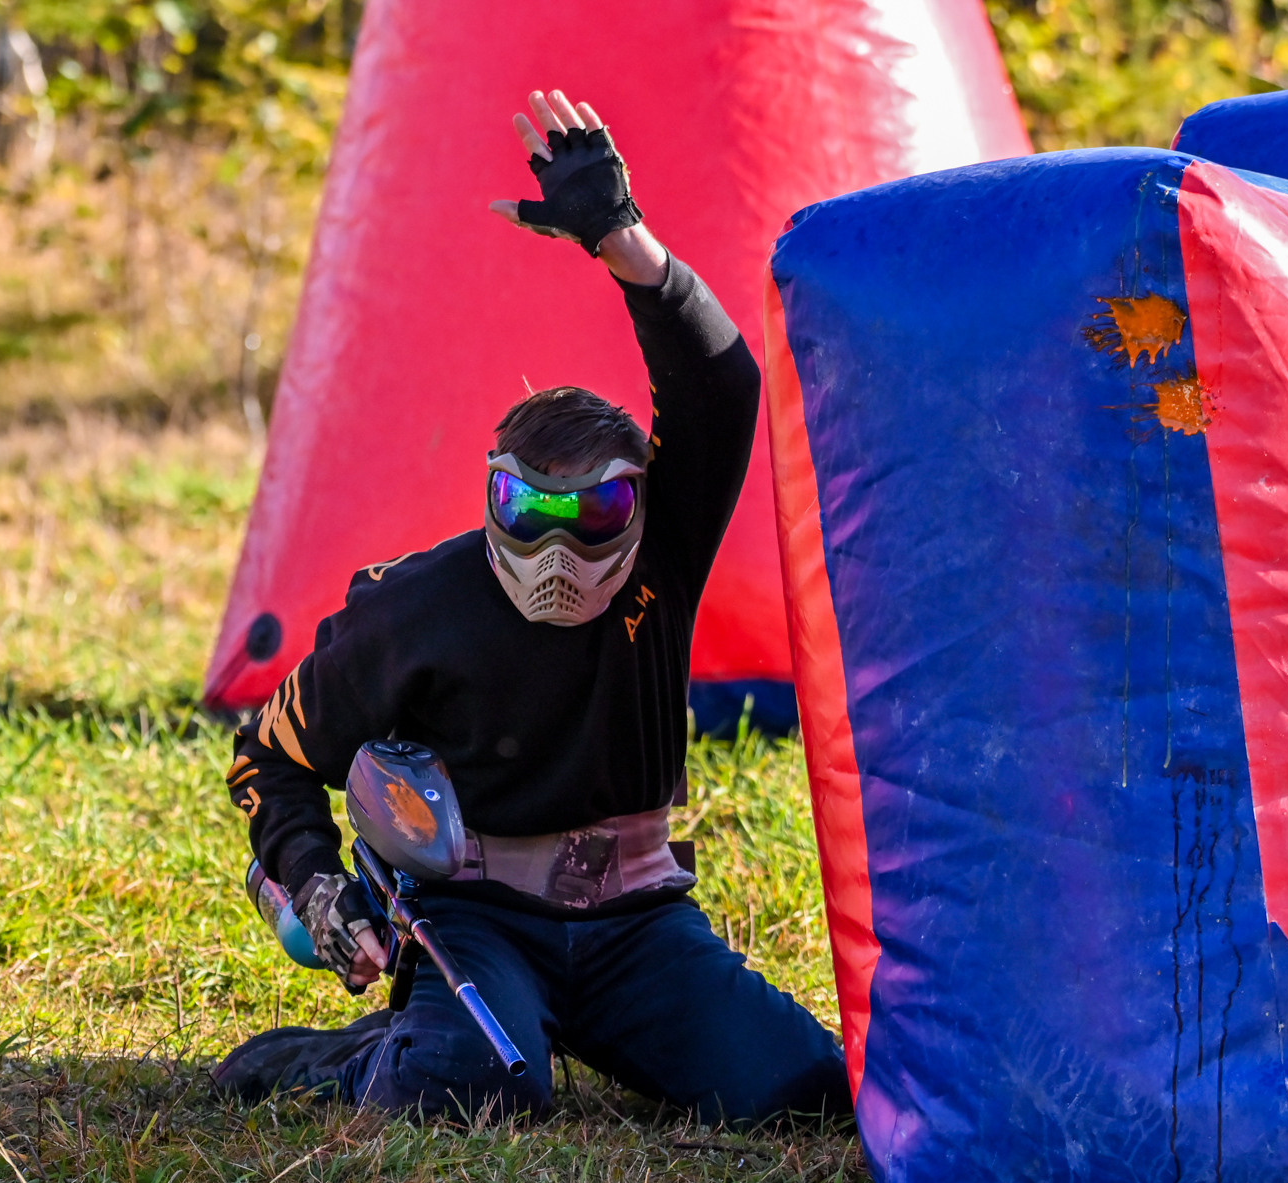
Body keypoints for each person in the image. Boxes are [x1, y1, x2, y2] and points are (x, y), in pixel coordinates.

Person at [212, 90, 850, 1127]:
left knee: (799, 1093)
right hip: (474, 917)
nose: (557, 547)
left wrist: (621, 239)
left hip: (637, 923)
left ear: (638, 506)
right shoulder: (415, 607)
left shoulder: (660, 558)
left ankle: (539, 1028)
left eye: (593, 511)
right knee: (470, 1090)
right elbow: (269, 757)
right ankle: (338, 1058)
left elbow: (722, 389)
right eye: (524, 508)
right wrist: (315, 884)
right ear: (488, 494)